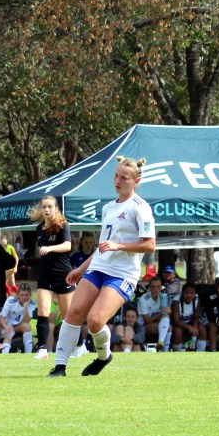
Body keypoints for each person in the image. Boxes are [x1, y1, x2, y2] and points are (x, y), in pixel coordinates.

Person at [49, 156, 156, 377]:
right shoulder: (108, 207)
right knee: (73, 313)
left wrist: (119, 245)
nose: (117, 181)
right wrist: (81, 269)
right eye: (116, 176)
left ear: (136, 181)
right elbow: (102, 246)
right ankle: (59, 367)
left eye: (124, 178)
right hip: (98, 268)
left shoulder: (141, 208)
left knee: (96, 320)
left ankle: (103, 357)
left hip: (122, 274)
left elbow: (150, 245)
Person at [27, 195, 77, 359]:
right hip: (45, 275)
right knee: (43, 311)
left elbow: (67, 246)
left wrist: (50, 248)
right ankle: (42, 350)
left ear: (56, 209)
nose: (47, 209)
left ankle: (80, 345)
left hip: (63, 275)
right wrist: (46, 249)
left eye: (50, 206)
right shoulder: (39, 229)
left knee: (68, 315)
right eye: (44, 207)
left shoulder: (63, 226)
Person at [0, 283, 36, 354]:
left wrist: (25, 306)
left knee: (27, 326)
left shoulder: (32, 303)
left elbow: (26, 320)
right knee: (9, 332)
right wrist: (6, 327)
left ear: (30, 295)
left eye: (26, 295)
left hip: (16, 327)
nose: (24, 297)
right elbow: (2, 318)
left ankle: (28, 353)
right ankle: (5, 354)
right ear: (18, 295)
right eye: (22, 295)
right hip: (2, 324)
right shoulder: (11, 301)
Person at [136, 276, 172, 351]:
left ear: (161, 287)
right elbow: (147, 321)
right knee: (167, 327)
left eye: (158, 286)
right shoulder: (144, 300)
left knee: (168, 324)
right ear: (149, 288)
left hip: (155, 322)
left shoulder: (163, 297)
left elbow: (166, 316)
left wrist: (168, 312)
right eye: (153, 287)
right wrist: (162, 312)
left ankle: (161, 344)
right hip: (142, 326)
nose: (156, 289)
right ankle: (164, 350)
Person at [170, 282, 203, 351]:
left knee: (202, 329)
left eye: (192, 293)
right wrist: (189, 327)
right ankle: (178, 352)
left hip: (190, 322)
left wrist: (194, 326)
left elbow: (196, 316)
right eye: (186, 293)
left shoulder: (196, 298)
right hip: (178, 324)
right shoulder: (176, 301)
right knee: (178, 331)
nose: (189, 295)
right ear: (182, 293)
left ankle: (201, 352)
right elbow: (176, 321)